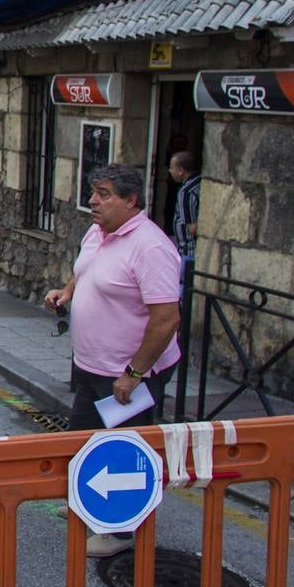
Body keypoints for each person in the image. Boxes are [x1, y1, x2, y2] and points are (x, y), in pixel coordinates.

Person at [44, 163, 181, 558]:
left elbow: (167, 318)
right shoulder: (98, 232)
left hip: (127, 374)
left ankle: (119, 531)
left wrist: (134, 374)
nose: (93, 201)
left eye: (103, 194)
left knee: (123, 448)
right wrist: (67, 291)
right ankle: (89, 503)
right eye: (93, 192)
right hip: (90, 366)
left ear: (131, 200)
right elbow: (86, 271)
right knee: (84, 439)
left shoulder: (151, 247)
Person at [169, 151, 201, 291]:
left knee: (183, 290)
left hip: (189, 249)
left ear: (181, 171)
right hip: (190, 249)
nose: (170, 171)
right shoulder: (199, 182)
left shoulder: (186, 192)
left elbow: (192, 227)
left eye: (172, 167)